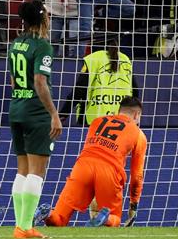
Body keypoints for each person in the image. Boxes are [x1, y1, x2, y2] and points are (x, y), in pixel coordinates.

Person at [35, 96, 147, 228]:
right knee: (115, 219)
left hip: (82, 167)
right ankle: (106, 218)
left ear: (119, 110)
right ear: (136, 114)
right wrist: (133, 204)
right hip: (109, 171)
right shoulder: (139, 134)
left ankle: (47, 213)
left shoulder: (97, 121)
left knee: (59, 219)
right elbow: (137, 176)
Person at [8, 0, 62, 239]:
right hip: (36, 113)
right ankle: (25, 226)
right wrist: (53, 114)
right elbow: (40, 82)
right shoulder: (42, 46)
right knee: (37, 171)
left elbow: (12, 80)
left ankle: (21, 225)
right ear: (42, 19)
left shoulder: (15, 44)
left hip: (16, 108)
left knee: (22, 170)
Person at [60, 36, 139, 126]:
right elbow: (135, 91)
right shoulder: (125, 59)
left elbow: (79, 90)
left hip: (95, 118)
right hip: (121, 119)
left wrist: (63, 113)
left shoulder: (93, 59)